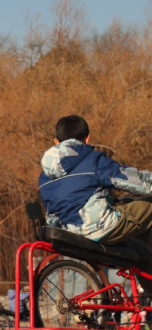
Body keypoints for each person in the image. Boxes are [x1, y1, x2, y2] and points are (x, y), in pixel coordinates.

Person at [39, 114, 152, 279]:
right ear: (87, 139)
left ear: (56, 141)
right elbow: (131, 180)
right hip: (103, 227)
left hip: (73, 237)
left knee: (143, 253)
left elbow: (53, 216)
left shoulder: (44, 177)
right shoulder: (92, 160)